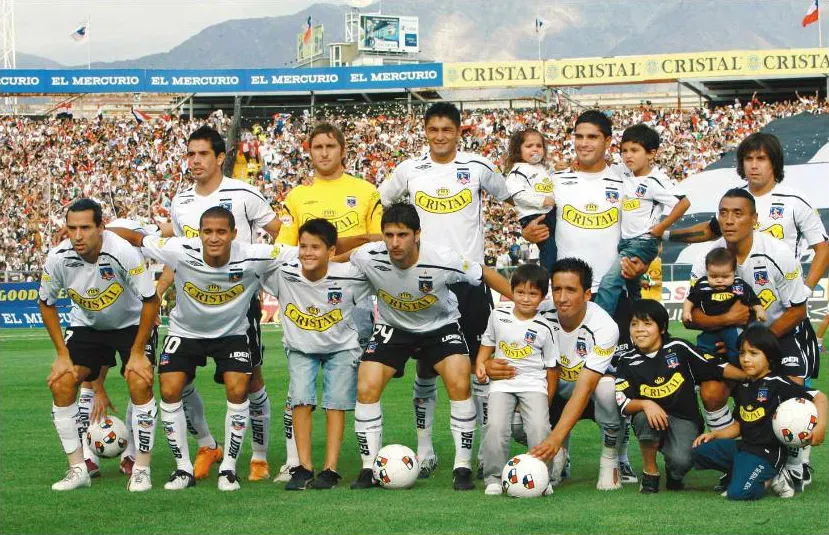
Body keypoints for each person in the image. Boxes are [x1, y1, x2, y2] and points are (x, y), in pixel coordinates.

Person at [110, 207, 297, 491]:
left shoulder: (254, 255)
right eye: (207, 232)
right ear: (199, 234)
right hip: (186, 332)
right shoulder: (179, 249)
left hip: (232, 334)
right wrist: (94, 232)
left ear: (234, 234)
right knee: (170, 388)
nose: (214, 238)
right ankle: (183, 469)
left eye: (221, 232)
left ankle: (229, 469)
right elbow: (136, 238)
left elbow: (310, 252)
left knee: (238, 388)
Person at [378, 103, 513, 478]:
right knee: (426, 370)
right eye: (433, 129)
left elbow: (508, 196)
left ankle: (486, 451)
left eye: (446, 129)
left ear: (458, 131)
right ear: (425, 130)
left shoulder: (478, 167)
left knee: (479, 369)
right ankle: (425, 451)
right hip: (426, 283)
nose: (440, 136)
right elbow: (385, 201)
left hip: (469, 281)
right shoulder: (409, 169)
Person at [346, 203, 511, 491]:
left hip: (440, 326)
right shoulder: (367, 256)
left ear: (417, 235)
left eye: (402, 235)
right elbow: (338, 260)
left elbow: (482, 273)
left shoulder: (443, 259)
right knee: (366, 386)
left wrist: (521, 300)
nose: (395, 243)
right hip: (393, 327)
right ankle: (368, 467)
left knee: (460, 381)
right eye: (389, 235)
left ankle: (462, 466)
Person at [162, 125, 282, 482]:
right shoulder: (181, 201)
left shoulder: (244, 193)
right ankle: (206, 444)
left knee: (251, 381)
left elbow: (278, 230)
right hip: (192, 306)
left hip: (238, 304)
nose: (195, 161)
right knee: (177, 381)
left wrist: (262, 276)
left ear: (219, 157)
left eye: (202, 154)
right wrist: (161, 287)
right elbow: (177, 254)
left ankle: (258, 456)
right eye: (190, 154)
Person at [686, 188, 819, 493]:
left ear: (755, 219)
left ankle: (795, 466)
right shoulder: (707, 259)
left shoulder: (778, 252)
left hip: (778, 334)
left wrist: (761, 345)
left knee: (791, 390)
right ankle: (738, 458)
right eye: (723, 213)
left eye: (737, 213)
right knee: (711, 391)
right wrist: (726, 322)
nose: (729, 220)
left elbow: (798, 309)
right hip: (732, 337)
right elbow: (692, 317)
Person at [274, 122, 382, 482]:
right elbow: (289, 250)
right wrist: (344, 249)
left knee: (351, 391)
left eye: (330, 146)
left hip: (353, 299)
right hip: (306, 303)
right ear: (309, 151)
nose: (323, 152)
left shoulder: (366, 191)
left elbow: (378, 240)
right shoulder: (297, 196)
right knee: (299, 393)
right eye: (317, 146)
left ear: (342, 150)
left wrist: (334, 258)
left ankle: (356, 464)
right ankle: (297, 463)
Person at [39, 198, 160, 491]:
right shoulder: (58, 258)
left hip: (130, 324)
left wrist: (136, 353)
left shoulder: (122, 253)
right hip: (87, 325)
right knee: (62, 382)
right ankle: (78, 469)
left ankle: (141, 468)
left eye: (85, 228)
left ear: (101, 227)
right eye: (72, 228)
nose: (77, 235)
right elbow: (46, 304)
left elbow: (150, 300)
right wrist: (61, 355)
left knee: (139, 379)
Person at [489, 258, 625, 490]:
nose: (562, 298)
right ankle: (561, 454)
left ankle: (610, 459)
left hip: (588, 394)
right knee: (514, 421)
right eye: (557, 289)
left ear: (587, 294)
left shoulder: (604, 326)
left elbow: (584, 388)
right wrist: (491, 366)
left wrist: (555, 437)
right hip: (549, 389)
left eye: (571, 290)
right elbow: (506, 343)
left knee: (606, 389)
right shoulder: (539, 311)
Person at [262, 219, 372, 490]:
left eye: (316, 247)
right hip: (301, 348)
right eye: (303, 246)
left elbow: (382, 276)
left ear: (332, 251)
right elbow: (252, 269)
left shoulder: (350, 275)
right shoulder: (283, 272)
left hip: (341, 347)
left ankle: (330, 469)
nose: (307, 253)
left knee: (335, 406)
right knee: (300, 401)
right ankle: (303, 467)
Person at [615, 299, 747, 493]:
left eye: (647, 323)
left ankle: (674, 472)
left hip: (684, 418)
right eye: (634, 324)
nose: (640, 329)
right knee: (642, 416)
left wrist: (751, 376)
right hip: (650, 420)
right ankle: (650, 472)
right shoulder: (626, 360)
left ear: (662, 328)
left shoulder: (678, 348)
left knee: (682, 461)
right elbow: (623, 402)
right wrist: (645, 404)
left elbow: (715, 367)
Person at [669, 132, 829, 291]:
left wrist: (806, 290)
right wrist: (665, 235)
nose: (753, 165)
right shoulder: (733, 198)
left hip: (784, 300)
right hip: (739, 299)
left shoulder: (795, 201)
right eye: (748, 159)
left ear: (774, 163)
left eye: (761, 159)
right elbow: (710, 230)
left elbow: (823, 248)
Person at [692, 325, 827, 500]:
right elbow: (740, 425)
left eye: (753, 354)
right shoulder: (744, 386)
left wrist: (821, 426)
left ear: (769, 357)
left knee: (738, 493)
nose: (746, 359)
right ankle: (744, 471)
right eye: (742, 353)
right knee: (698, 451)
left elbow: (820, 398)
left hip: (767, 454)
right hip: (745, 447)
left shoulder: (778, 383)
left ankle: (774, 478)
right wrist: (715, 435)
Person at [475, 264, 557, 496]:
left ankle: (543, 477)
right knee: (495, 426)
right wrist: (482, 364)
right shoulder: (498, 315)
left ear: (542, 297)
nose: (526, 298)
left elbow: (552, 368)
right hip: (502, 384)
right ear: (511, 291)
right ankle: (493, 477)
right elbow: (488, 343)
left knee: (539, 428)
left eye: (533, 294)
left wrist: (547, 399)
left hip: (534, 384)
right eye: (520, 292)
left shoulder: (545, 326)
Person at [594, 124, 689, 314]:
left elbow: (684, 203)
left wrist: (661, 227)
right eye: (624, 151)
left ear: (651, 153)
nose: (628, 155)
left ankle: (596, 329)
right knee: (633, 293)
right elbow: (598, 167)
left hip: (642, 242)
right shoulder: (622, 172)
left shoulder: (655, 180)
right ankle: (643, 325)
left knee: (609, 283)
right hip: (624, 241)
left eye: (635, 150)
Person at [682, 247, 767, 364]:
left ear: (734, 272)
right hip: (710, 327)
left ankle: (740, 371)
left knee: (737, 348)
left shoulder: (739, 284)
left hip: (733, 328)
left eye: (725, 277)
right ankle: (705, 369)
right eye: (713, 276)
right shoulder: (702, 284)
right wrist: (686, 311)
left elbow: (753, 299)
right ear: (707, 271)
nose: (719, 281)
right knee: (703, 349)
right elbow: (690, 299)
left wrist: (760, 310)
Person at [504, 129, 556, 273]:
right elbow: (517, 195)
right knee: (549, 249)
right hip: (534, 216)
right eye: (529, 146)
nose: (535, 149)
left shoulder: (543, 168)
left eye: (539, 146)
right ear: (518, 150)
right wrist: (541, 200)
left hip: (550, 212)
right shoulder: (517, 171)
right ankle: (549, 276)